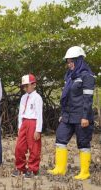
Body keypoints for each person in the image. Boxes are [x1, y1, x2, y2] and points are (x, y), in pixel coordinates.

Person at [48, 46, 95, 180]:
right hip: (68, 115)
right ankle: (60, 168)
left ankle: (84, 172)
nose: (69, 65)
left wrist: (85, 117)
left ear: (79, 60)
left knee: (83, 143)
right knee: (60, 138)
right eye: (67, 62)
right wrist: (63, 113)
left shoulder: (87, 76)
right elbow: (65, 97)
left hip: (82, 116)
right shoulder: (69, 76)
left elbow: (88, 99)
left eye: (71, 62)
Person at [12, 74, 43, 178]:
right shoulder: (23, 97)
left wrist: (38, 130)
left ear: (34, 85)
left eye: (27, 85)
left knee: (34, 147)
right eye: (23, 86)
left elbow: (39, 115)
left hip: (33, 122)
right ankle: (20, 168)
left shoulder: (37, 98)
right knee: (19, 147)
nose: (25, 88)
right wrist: (19, 127)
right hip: (24, 123)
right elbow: (20, 113)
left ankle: (33, 169)